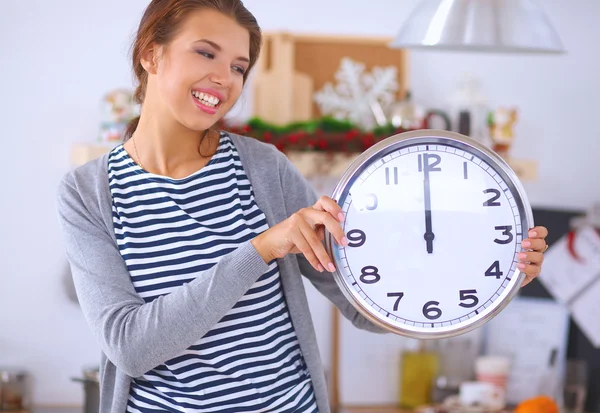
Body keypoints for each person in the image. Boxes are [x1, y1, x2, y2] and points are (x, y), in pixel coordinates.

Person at [56, 1, 549, 412]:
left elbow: (362, 303)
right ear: (151, 54)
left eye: (238, 67)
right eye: (205, 52)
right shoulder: (87, 192)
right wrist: (262, 249)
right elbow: (131, 347)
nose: (223, 78)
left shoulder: (262, 168)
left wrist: (491, 283)